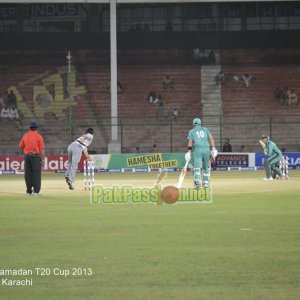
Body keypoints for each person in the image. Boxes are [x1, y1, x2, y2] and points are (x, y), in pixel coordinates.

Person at [185, 118, 217, 189]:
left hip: (198, 150)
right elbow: (211, 139)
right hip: (207, 149)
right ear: (200, 123)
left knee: (197, 167)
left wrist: (189, 152)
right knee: (206, 168)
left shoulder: (191, 131)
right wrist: (213, 148)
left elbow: (190, 142)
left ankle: (197, 183)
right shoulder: (206, 129)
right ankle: (205, 184)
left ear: (193, 124)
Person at [19, 120, 45, 195]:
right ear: (36, 128)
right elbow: (42, 150)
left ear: (30, 128)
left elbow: (20, 146)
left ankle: (29, 191)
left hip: (27, 157)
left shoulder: (25, 135)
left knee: (27, 174)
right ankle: (36, 191)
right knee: (36, 174)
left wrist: (27, 148)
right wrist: (42, 160)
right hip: (35, 157)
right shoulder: (39, 136)